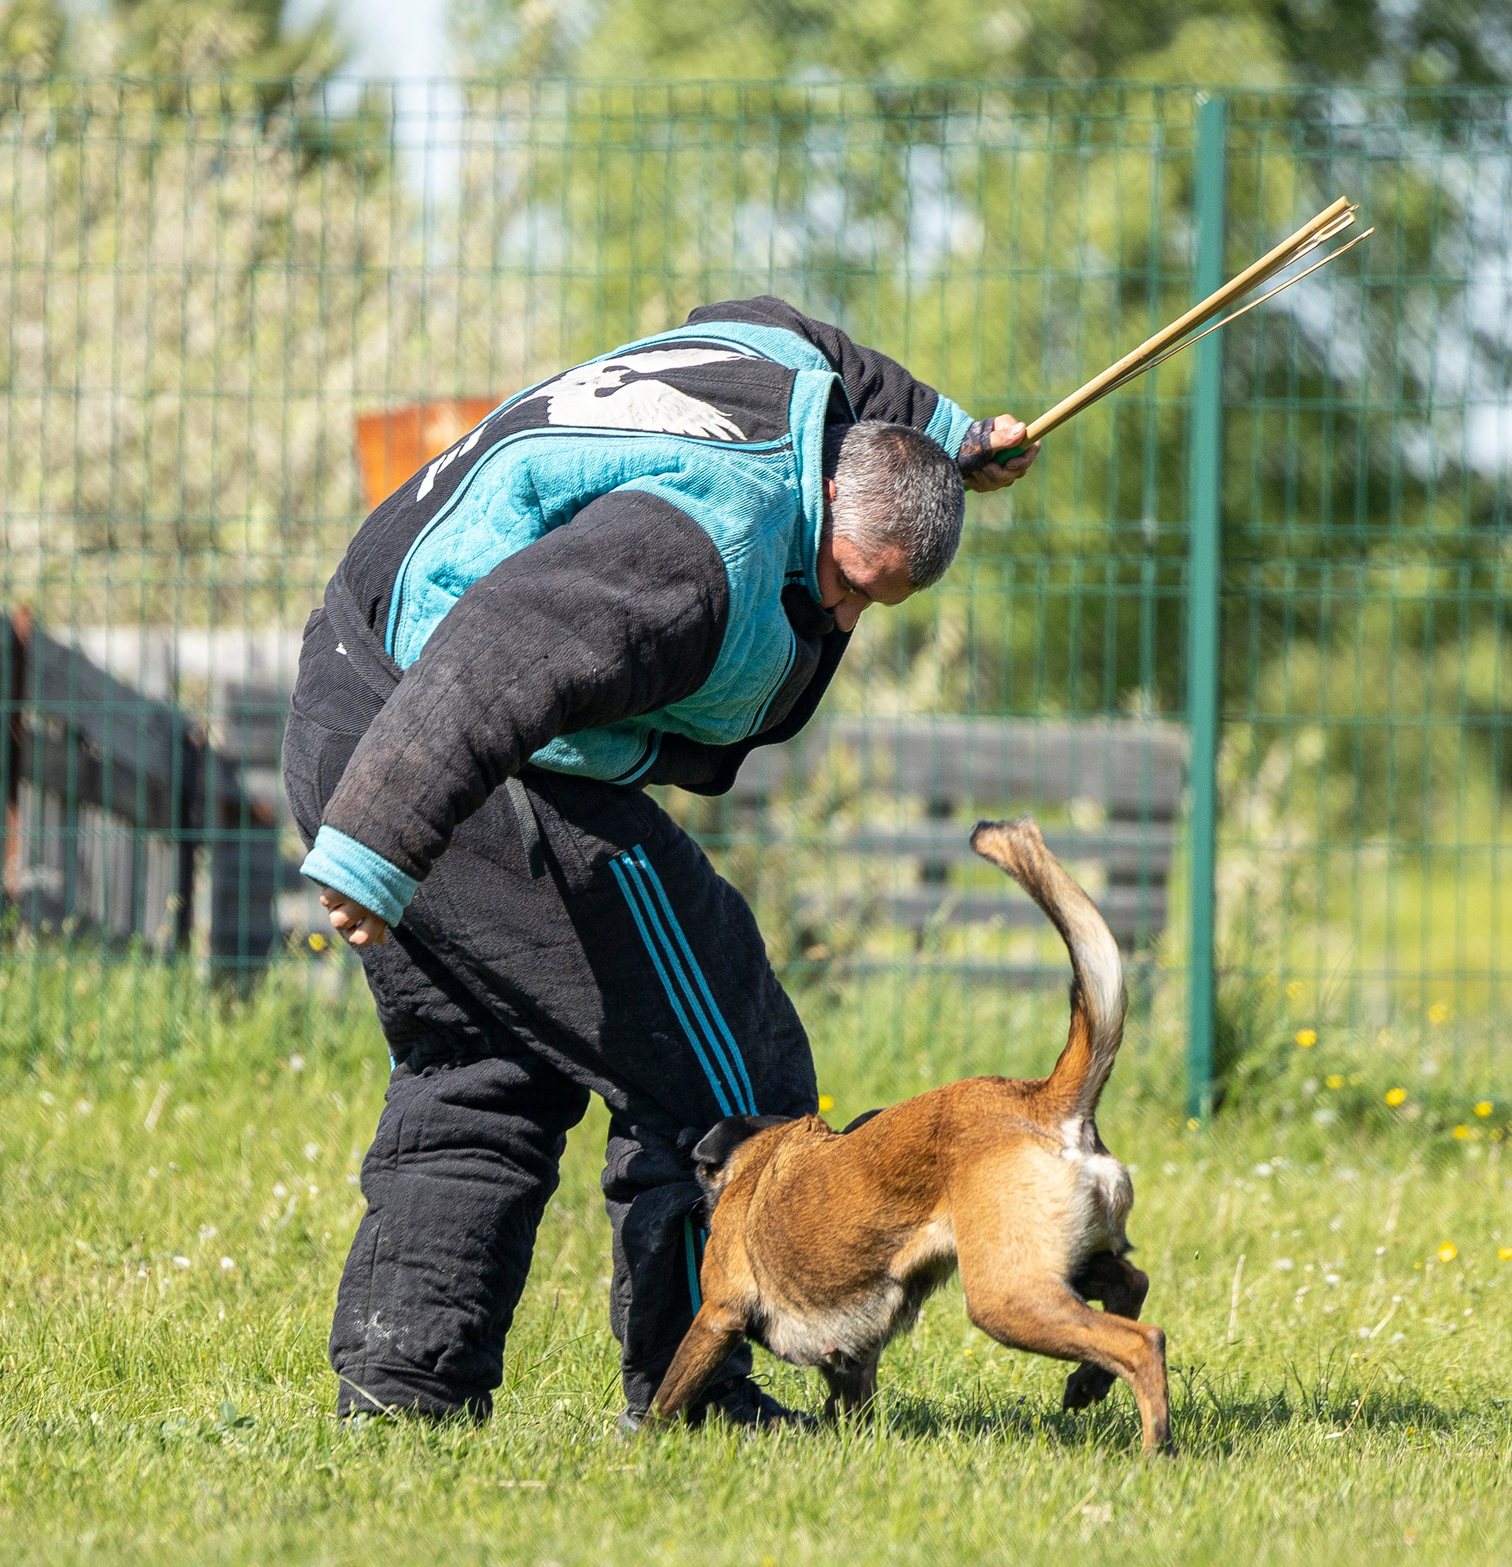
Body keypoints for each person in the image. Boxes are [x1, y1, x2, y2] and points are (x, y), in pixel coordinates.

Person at [282, 295, 1037, 1429]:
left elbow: (794, 330)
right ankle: (697, 1394)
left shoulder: (778, 373)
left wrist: (949, 430)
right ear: (829, 495)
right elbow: (505, 649)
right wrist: (377, 842)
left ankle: (405, 1390)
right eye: (845, 582)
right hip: (433, 744)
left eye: (870, 603)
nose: (839, 616)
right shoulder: (700, 553)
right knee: (725, 1067)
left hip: (357, 678)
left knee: (485, 1058)